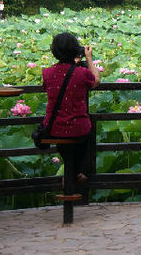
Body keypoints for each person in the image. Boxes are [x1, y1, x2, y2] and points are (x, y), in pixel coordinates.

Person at [43, 33, 100, 185]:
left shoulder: (47, 73)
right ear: (76, 50)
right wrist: (88, 58)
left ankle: (70, 173)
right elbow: (96, 81)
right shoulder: (82, 73)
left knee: (64, 139)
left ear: (54, 51)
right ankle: (75, 173)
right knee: (86, 132)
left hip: (54, 127)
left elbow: (58, 81)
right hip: (78, 127)